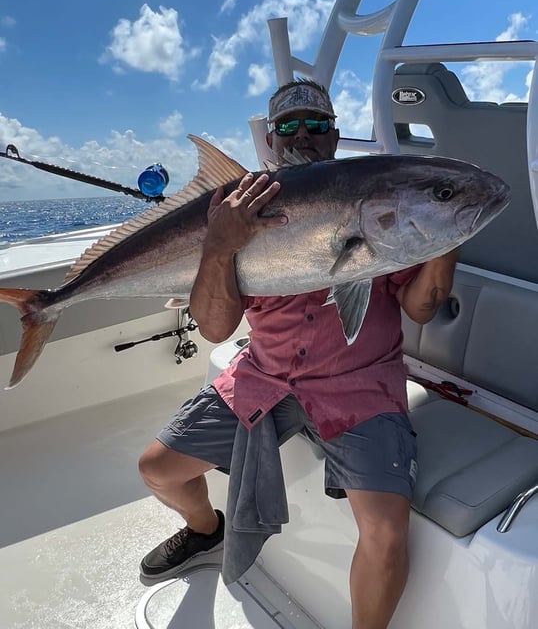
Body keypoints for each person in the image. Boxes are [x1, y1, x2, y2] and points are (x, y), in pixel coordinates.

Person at [138, 79, 458, 629]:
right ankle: (204, 529)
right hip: (266, 377)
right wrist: (219, 244)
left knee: (384, 532)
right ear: (271, 138)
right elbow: (216, 329)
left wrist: (445, 229)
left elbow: (422, 308)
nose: (303, 134)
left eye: (316, 123)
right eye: (288, 125)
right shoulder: (236, 211)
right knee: (158, 469)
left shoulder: (376, 202)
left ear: (334, 135)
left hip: (358, 386)